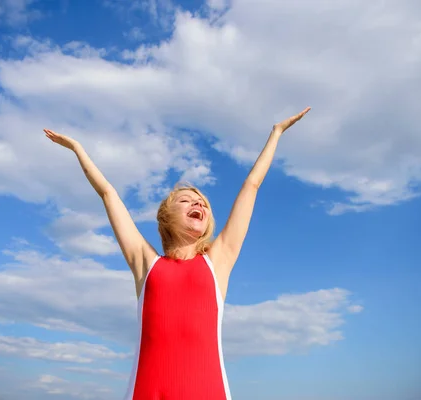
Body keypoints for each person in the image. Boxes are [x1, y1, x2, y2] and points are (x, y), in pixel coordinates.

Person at [44, 106, 310, 400]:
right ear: (165, 216)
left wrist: (275, 133)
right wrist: (78, 149)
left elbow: (251, 185)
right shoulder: (146, 263)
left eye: (204, 203)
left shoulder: (218, 261)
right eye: (187, 200)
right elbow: (108, 193)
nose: (200, 204)